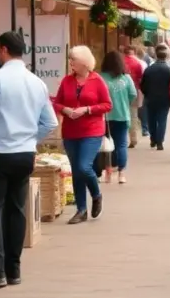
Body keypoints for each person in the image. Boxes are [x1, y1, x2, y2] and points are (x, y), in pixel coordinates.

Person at [0, 32, 57, 289]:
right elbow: (50, 122)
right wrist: (32, 138)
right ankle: (14, 269)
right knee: (17, 209)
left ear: (4, 50)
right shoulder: (37, 82)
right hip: (25, 153)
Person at [52, 46, 112, 224]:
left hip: (91, 130)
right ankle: (81, 209)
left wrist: (87, 109)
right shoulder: (66, 81)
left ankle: (96, 194)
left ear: (85, 63)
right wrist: (65, 110)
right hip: (70, 131)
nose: (70, 63)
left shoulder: (97, 80)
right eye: (69, 60)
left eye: (73, 60)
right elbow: (57, 102)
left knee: (84, 166)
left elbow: (107, 105)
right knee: (76, 171)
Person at [101, 51, 137, 184]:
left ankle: (107, 172)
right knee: (121, 145)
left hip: (104, 116)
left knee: (105, 145)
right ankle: (121, 173)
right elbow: (133, 94)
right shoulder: (126, 78)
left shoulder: (100, 78)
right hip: (122, 115)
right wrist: (124, 102)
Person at [141, 44, 170, 151]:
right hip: (164, 100)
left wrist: (146, 94)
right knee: (162, 120)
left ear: (156, 56)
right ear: (165, 57)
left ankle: (153, 139)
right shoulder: (169, 70)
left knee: (151, 119)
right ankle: (160, 142)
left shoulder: (149, 69)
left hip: (150, 98)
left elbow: (143, 85)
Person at [122, 46, 145, 148]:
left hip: (119, 90)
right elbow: (141, 78)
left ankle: (122, 138)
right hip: (133, 90)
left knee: (121, 115)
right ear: (134, 52)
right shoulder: (138, 63)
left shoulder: (120, 62)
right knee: (133, 115)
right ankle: (133, 138)